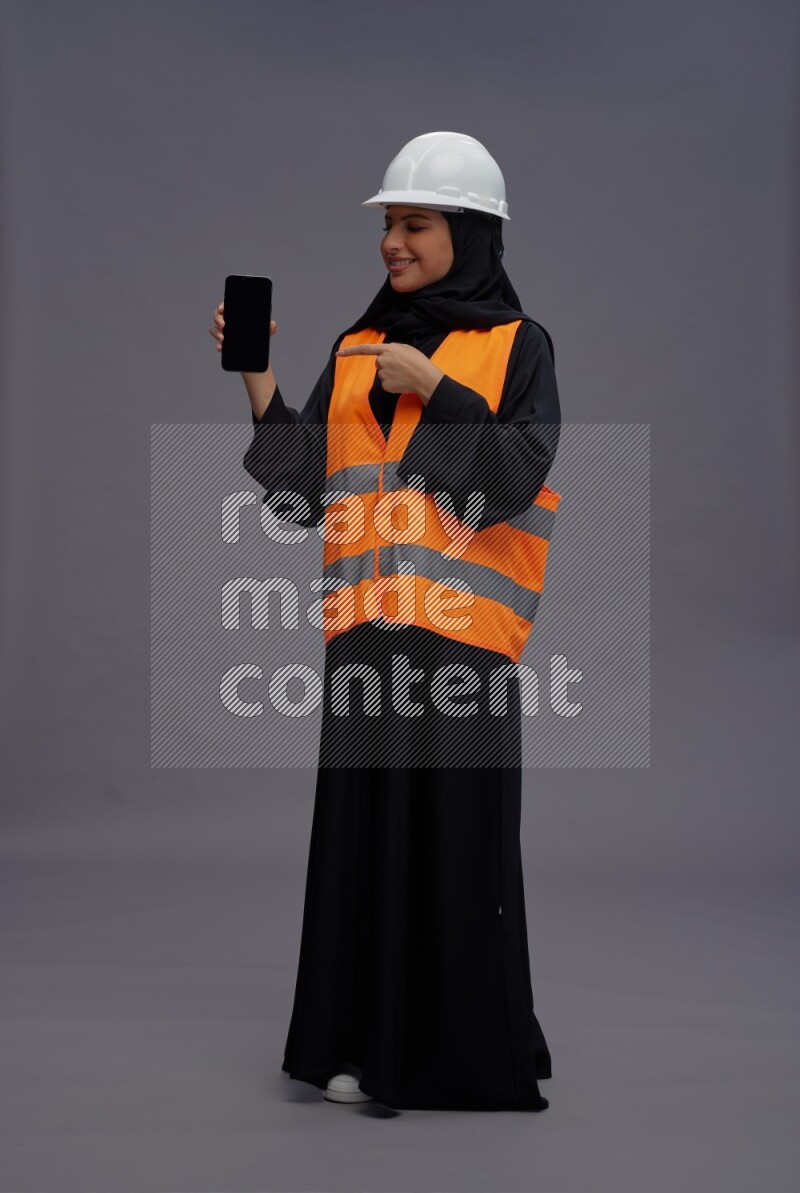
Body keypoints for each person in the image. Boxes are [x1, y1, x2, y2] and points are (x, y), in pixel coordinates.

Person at [209, 131, 562, 1110]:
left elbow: (517, 474)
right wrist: (257, 378)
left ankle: (451, 1056)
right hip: (363, 638)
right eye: (388, 224)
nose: (393, 242)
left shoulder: (518, 345)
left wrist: (437, 390)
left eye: (415, 223)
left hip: (461, 645)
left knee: (454, 847)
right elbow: (301, 493)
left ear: (469, 233)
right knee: (363, 844)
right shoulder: (357, 347)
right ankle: (359, 1046)